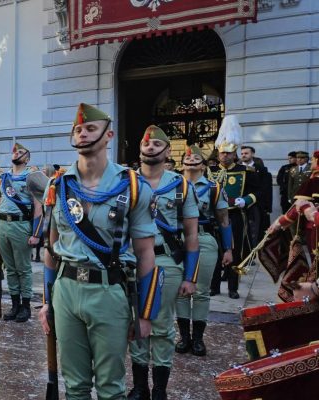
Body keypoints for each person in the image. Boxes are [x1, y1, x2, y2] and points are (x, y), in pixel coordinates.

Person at [39, 104, 160, 400]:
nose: (82, 134)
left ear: (109, 135)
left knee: (110, 387)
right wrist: (46, 302)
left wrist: (146, 313)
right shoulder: (59, 186)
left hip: (108, 290)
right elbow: (51, 250)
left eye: (90, 129)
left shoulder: (131, 186)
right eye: (78, 129)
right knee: (75, 385)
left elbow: (146, 253)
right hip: (66, 291)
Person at [128, 126, 200, 400]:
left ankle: (159, 389)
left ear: (168, 151)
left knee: (161, 326)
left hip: (166, 262)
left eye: (157, 144)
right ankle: (139, 387)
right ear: (140, 149)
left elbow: (191, 234)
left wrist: (190, 276)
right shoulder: (127, 182)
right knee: (136, 322)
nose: (150, 147)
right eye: (146, 143)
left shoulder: (181, 185)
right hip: (132, 261)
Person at [176, 145, 233, 358]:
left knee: (201, 290)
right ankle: (184, 337)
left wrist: (228, 249)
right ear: (182, 163)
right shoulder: (172, 186)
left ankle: (198, 339)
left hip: (204, 238)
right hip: (177, 239)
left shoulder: (213, 188)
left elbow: (224, 219)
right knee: (181, 291)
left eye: (196, 158)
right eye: (188, 158)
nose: (191, 161)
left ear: (203, 164)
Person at [0, 142, 43, 322]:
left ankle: (25, 306)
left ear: (27, 158)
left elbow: (38, 207)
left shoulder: (32, 177)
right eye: (14, 151)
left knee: (23, 269)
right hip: (3, 225)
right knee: (9, 269)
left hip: (21, 225)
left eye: (20, 151)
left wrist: (36, 233)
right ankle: (14, 304)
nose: (16, 153)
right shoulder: (3, 178)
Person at [209, 116, 260, 299]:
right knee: (215, 251)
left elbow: (257, 193)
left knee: (235, 251)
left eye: (228, 153)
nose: (225, 156)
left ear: (234, 153)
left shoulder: (246, 172)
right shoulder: (211, 171)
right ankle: (214, 286)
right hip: (215, 216)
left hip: (235, 215)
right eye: (222, 153)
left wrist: (244, 201)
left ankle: (232, 287)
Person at [241, 146, 272, 246]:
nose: (243, 155)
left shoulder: (261, 170)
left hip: (255, 204)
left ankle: (253, 253)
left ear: (252, 154)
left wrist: (267, 208)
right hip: (239, 204)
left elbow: (266, 189)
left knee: (254, 231)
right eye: (242, 154)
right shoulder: (237, 169)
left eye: (246, 153)